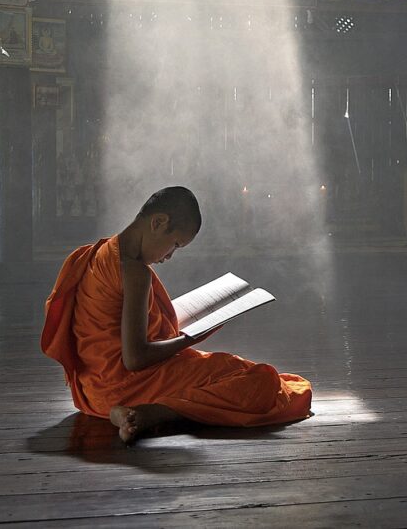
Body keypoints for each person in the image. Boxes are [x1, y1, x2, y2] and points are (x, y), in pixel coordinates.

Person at [41, 186, 312, 444]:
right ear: (158, 222)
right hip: (127, 385)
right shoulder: (134, 271)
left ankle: (132, 412)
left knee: (235, 371)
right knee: (262, 380)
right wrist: (188, 338)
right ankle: (154, 413)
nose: (169, 256)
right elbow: (135, 359)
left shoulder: (94, 254)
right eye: (175, 245)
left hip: (93, 390)